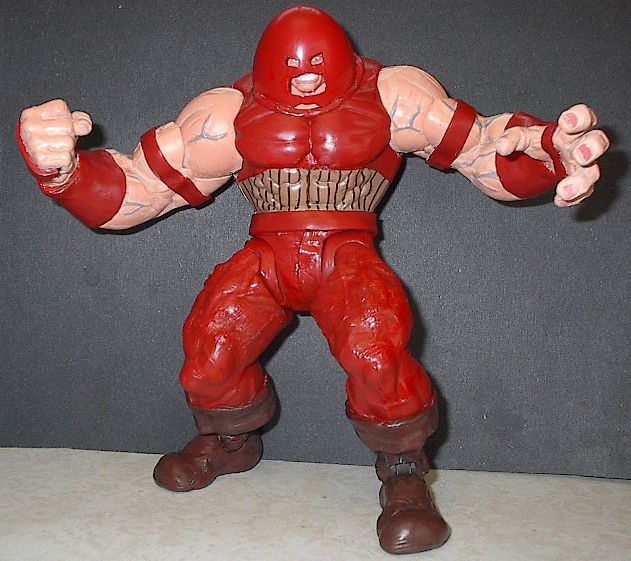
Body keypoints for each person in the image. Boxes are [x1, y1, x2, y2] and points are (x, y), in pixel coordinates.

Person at [17, 5, 609, 555]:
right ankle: (230, 441)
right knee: (210, 350)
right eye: (291, 71)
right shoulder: (225, 114)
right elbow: (142, 191)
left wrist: (548, 150)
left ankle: (403, 468)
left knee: (376, 350)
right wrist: (65, 172)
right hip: (269, 254)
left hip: (345, 252)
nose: (304, 82)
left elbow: (485, 150)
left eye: (317, 68)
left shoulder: (393, 95)